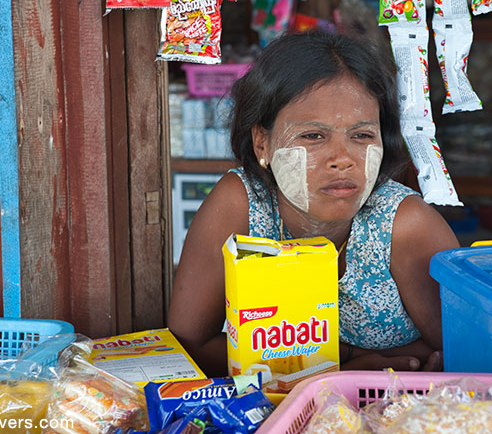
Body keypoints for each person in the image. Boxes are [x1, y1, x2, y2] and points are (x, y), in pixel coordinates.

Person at [168, 31, 459, 377]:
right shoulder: (240, 205)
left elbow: (463, 350)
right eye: (313, 136)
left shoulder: (405, 226)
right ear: (262, 143)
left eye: (362, 135)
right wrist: (341, 364)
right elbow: (188, 345)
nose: (342, 158)